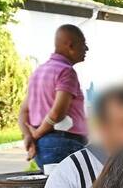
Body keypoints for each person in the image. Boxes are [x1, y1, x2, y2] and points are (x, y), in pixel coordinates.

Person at [18, 24, 89, 167]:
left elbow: (23, 112)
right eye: (84, 44)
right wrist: (36, 134)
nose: (86, 49)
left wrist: (28, 136)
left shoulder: (38, 72)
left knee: (53, 187)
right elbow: (57, 113)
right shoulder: (66, 72)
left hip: (42, 147)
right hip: (63, 144)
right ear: (70, 45)